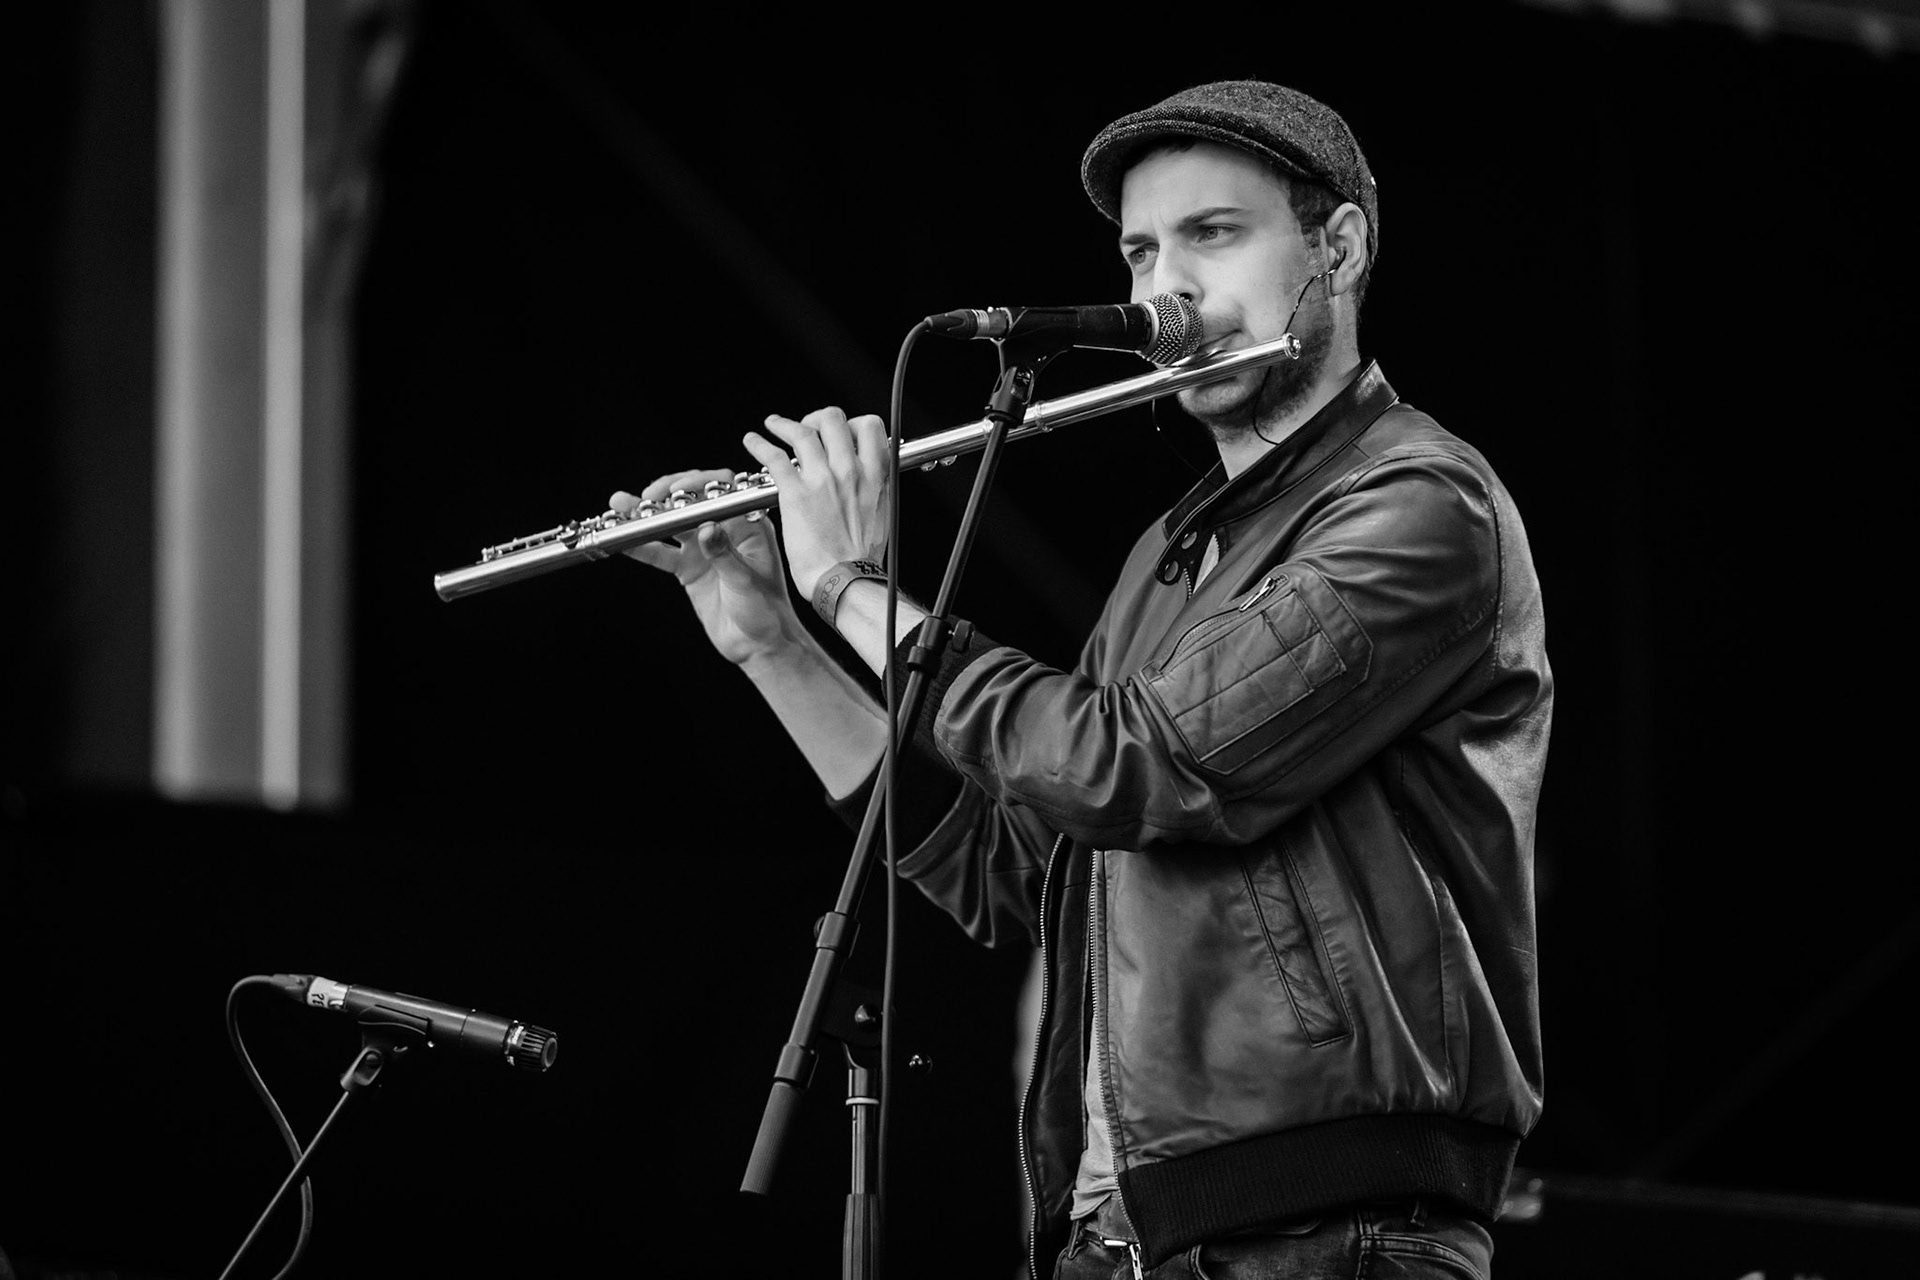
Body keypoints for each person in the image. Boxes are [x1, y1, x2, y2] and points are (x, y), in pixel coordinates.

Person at [619, 80, 1551, 1279]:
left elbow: (1137, 764)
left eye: (1215, 234)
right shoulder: (1172, 554)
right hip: (1117, 1234)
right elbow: (1012, 867)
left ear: (1341, 247)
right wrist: (773, 637)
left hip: (1326, 1230)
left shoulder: (1420, 505)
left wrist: (849, 582)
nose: (1166, 288)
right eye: (1142, 249)